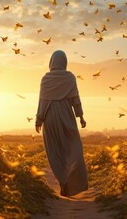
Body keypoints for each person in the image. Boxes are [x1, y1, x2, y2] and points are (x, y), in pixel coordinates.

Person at [35, 50, 88, 197]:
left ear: (51, 62)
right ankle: (69, 183)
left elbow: (43, 101)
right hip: (66, 116)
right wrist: (80, 116)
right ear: (64, 62)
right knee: (73, 148)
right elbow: (75, 99)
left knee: (55, 151)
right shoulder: (70, 78)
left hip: (49, 117)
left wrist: (39, 119)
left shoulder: (45, 79)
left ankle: (63, 182)